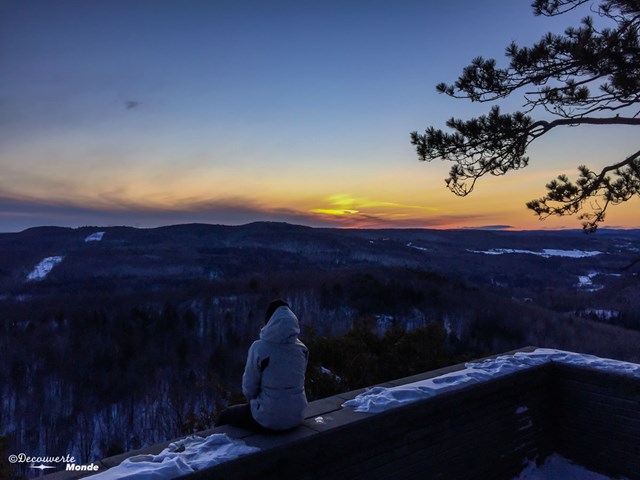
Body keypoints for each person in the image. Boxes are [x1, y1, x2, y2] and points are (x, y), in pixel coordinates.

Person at [215, 300, 309, 431]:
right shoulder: (301, 349)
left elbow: (249, 388)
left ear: (270, 322)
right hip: (297, 415)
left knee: (225, 416)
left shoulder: (259, 348)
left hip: (268, 418)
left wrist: (256, 402)